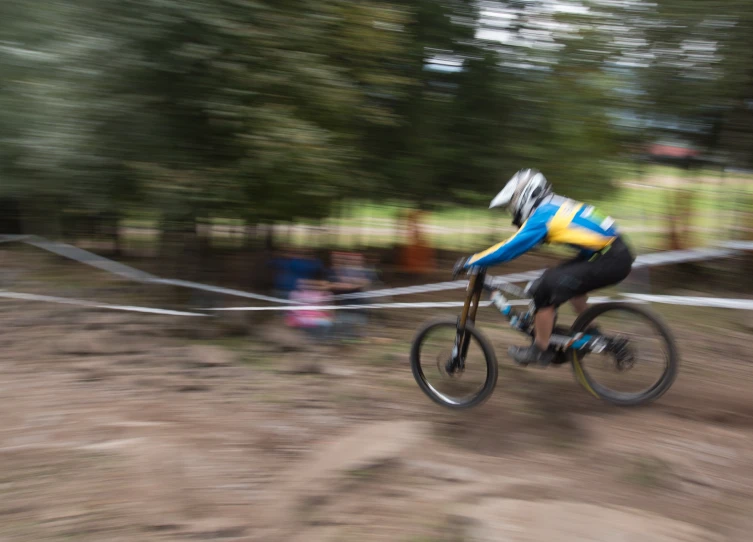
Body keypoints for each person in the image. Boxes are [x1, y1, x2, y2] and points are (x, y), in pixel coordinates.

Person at [454, 168, 635, 367]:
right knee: (556, 279)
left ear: (527, 195)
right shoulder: (556, 204)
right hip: (612, 253)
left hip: (609, 258)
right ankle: (590, 330)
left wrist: (472, 260)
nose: (512, 209)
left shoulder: (543, 215)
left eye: (513, 203)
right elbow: (593, 233)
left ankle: (540, 349)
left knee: (544, 289)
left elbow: (509, 248)